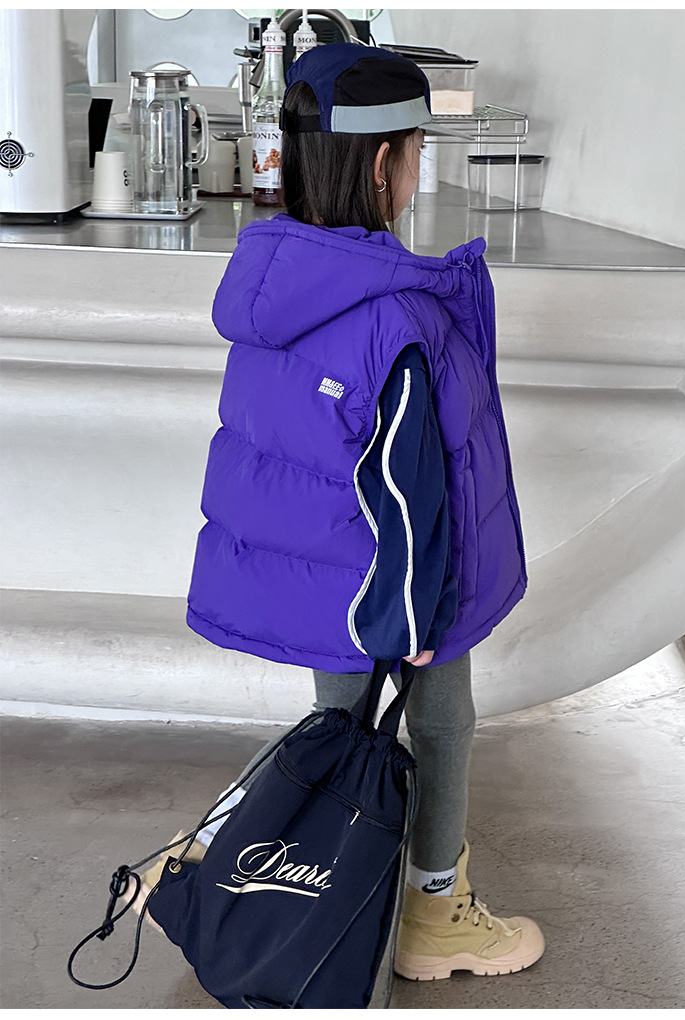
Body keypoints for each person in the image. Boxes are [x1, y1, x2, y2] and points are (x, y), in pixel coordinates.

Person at [162, 43, 544, 983]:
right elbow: (407, 489)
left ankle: (264, 861)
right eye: (416, 151)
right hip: (399, 588)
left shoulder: (275, 288)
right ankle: (433, 911)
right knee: (442, 719)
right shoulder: (396, 317)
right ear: (384, 163)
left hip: (321, 578)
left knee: (338, 725)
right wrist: (414, 622)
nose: (416, 169)